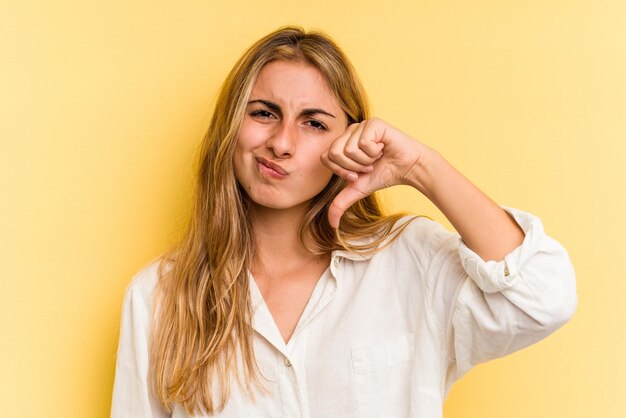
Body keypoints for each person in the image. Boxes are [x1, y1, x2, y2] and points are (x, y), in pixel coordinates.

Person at [110, 26, 577, 418]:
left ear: (349, 141)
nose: (282, 142)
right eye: (264, 113)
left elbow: (544, 297)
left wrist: (420, 168)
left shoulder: (407, 260)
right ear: (232, 124)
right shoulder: (158, 298)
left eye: (314, 123)